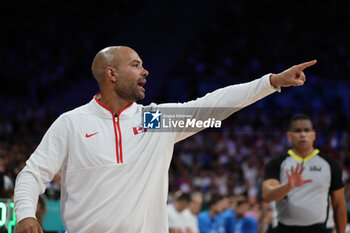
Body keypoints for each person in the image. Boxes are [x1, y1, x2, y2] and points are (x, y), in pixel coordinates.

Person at [14, 45, 316, 233]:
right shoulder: (72, 123)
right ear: (111, 74)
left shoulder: (152, 120)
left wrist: (271, 82)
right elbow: (33, 173)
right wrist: (26, 215)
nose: (145, 71)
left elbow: (212, 105)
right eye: (135, 65)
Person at [262, 114, 347, 233]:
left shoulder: (330, 164)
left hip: (319, 229)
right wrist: (288, 186)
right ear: (289, 136)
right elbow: (267, 195)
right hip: (284, 229)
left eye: (307, 130)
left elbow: (339, 204)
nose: (302, 134)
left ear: (313, 135)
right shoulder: (276, 163)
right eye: (297, 131)